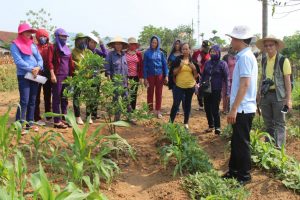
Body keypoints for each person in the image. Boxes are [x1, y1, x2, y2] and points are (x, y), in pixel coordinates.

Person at [223, 25, 257, 185]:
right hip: (242, 107)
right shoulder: (244, 56)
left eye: (233, 38)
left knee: (242, 142)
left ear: (240, 40)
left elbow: (244, 85)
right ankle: (234, 171)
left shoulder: (244, 57)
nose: (231, 41)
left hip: (243, 108)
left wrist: (234, 108)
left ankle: (244, 175)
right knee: (237, 140)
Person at [256, 35, 292, 148]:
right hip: (266, 95)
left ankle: (278, 150)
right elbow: (262, 77)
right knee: (268, 123)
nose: (268, 47)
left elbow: (287, 81)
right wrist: (258, 93)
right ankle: (268, 148)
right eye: (266, 46)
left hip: (279, 96)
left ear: (276, 46)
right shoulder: (264, 60)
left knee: (279, 123)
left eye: (271, 45)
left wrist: (288, 99)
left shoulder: (283, 60)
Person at [11, 23, 43, 133]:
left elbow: (39, 58)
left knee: (33, 101)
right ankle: (19, 124)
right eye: (27, 31)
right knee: (24, 100)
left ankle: (30, 123)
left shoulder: (33, 45)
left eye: (30, 31)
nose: (29, 33)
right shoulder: (15, 45)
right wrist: (31, 69)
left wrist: (38, 67)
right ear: (21, 33)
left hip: (34, 75)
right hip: (24, 75)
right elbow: (18, 61)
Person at [49, 28, 74, 129]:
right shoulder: (53, 47)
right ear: (57, 37)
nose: (64, 38)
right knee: (56, 99)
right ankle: (56, 121)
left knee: (65, 98)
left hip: (67, 76)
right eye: (62, 36)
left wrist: (72, 76)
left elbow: (70, 63)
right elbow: (49, 62)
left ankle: (64, 119)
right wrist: (52, 74)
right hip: (57, 76)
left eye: (65, 37)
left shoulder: (67, 49)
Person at [201, 45, 229, 135]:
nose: (212, 53)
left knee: (215, 108)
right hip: (206, 89)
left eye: (214, 52)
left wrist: (227, 92)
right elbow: (203, 75)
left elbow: (226, 78)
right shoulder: (207, 63)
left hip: (217, 89)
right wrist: (200, 85)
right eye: (211, 52)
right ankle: (210, 125)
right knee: (207, 108)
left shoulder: (222, 64)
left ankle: (218, 127)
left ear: (218, 52)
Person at [169, 43, 198, 129]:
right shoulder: (178, 60)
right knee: (176, 104)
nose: (185, 51)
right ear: (181, 50)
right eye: (183, 49)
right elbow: (173, 72)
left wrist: (194, 69)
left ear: (189, 50)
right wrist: (180, 67)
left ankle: (186, 122)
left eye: (186, 49)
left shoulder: (193, 61)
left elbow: (196, 76)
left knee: (187, 105)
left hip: (190, 86)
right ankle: (170, 122)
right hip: (179, 86)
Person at [143, 35, 168, 118]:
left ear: (158, 44)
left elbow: (165, 65)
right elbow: (145, 66)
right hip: (150, 76)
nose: (154, 44)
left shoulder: (161, 53)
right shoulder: (146, 53)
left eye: (155, 43)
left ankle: (158, 110)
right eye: (153, 42)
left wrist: (166, 76)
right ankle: (150, 110)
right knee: (150, 93)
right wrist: (145, 78)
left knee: (159, 93)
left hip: (159, 76)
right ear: (150, 43)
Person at [105, 36, 129, 121]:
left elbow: (126, 69)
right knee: (116, 99)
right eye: (117, 44)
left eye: (120, 44)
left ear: (122, 45)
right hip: (115, 82)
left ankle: (129, 117)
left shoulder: (124, 55)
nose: (118, 46)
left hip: (124, 82)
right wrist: (108, 79)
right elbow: (107, 67)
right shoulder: (110, 55)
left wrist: (128, 80)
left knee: (126, 99)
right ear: (114, 45)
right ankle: (117, 118)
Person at [72, 33, 92, 124]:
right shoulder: (73, 52)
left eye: (84, 40)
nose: (82, 42)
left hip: (88, 78)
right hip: (77, 78)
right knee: (77, 97)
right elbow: (71, 65)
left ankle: (88, 116)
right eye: (80, 40)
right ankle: (78, 116)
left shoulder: (89, 52)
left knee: (89, 97)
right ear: (76, 41)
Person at [34, 28, 53, 125]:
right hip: (37, 75)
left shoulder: (50, 47)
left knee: (47, 96)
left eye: (44, 36)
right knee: (36, 97)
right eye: (40, 36)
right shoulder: (34, 47)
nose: (43, 38)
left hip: (47, 75)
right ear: (37, 37)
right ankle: (36, 116)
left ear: (47, 37)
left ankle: (48, 115)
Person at [192, 40, 212, 110]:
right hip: (198, 74)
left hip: (206, 74)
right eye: (205, 47)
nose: (207, 49)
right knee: (198, 88)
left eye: (208, 48)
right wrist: (197, 63)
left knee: (206, 89)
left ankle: (206, 104)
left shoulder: (209, 54)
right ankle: (201, 105)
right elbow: (192, 60)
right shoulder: (196, 53)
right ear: (202, 46)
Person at [126, 37, 143, 110]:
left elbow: (141, 66)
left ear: (136, 45)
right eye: (131, 44)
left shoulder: (138, 54)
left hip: (135, 76)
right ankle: (126, 108)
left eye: (134, 44)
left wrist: (141, 78)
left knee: (134, 93)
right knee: (126, 93)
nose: (133, 46)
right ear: (128, 45)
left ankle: (132, 109)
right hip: (126, 76)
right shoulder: (124, 53)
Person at [167, 39, 184, 114]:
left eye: (178, 44)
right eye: (176, 44)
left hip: (183, 76)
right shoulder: (171, 55)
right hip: (173, 76)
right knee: (175, 93)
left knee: (183, 94)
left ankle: (185, 109)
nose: (177, 45)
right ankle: (176, 109)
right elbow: (169, 65)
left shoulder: (183, 54)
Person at [222, 48, 236, 114]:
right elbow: (223, 67)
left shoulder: (237, 57)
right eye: (231, 49)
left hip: (235, 79)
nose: (233, 50)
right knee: (225, 94)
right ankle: (225, 109)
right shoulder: (226, 57)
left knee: (233, 94)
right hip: (226, 78)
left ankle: (230, 108)